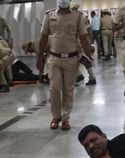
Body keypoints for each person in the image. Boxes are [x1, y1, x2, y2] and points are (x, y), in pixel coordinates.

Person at [36, 0, 92, 131]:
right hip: (54, 58)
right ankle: (56, 117)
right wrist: (39, 57)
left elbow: (84, 37)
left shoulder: (78, 16)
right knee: (54, 89)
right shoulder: (49, 15)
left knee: (68, 90)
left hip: (71, 59)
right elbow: (43, 37)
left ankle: (66, 119)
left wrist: (89, 56)